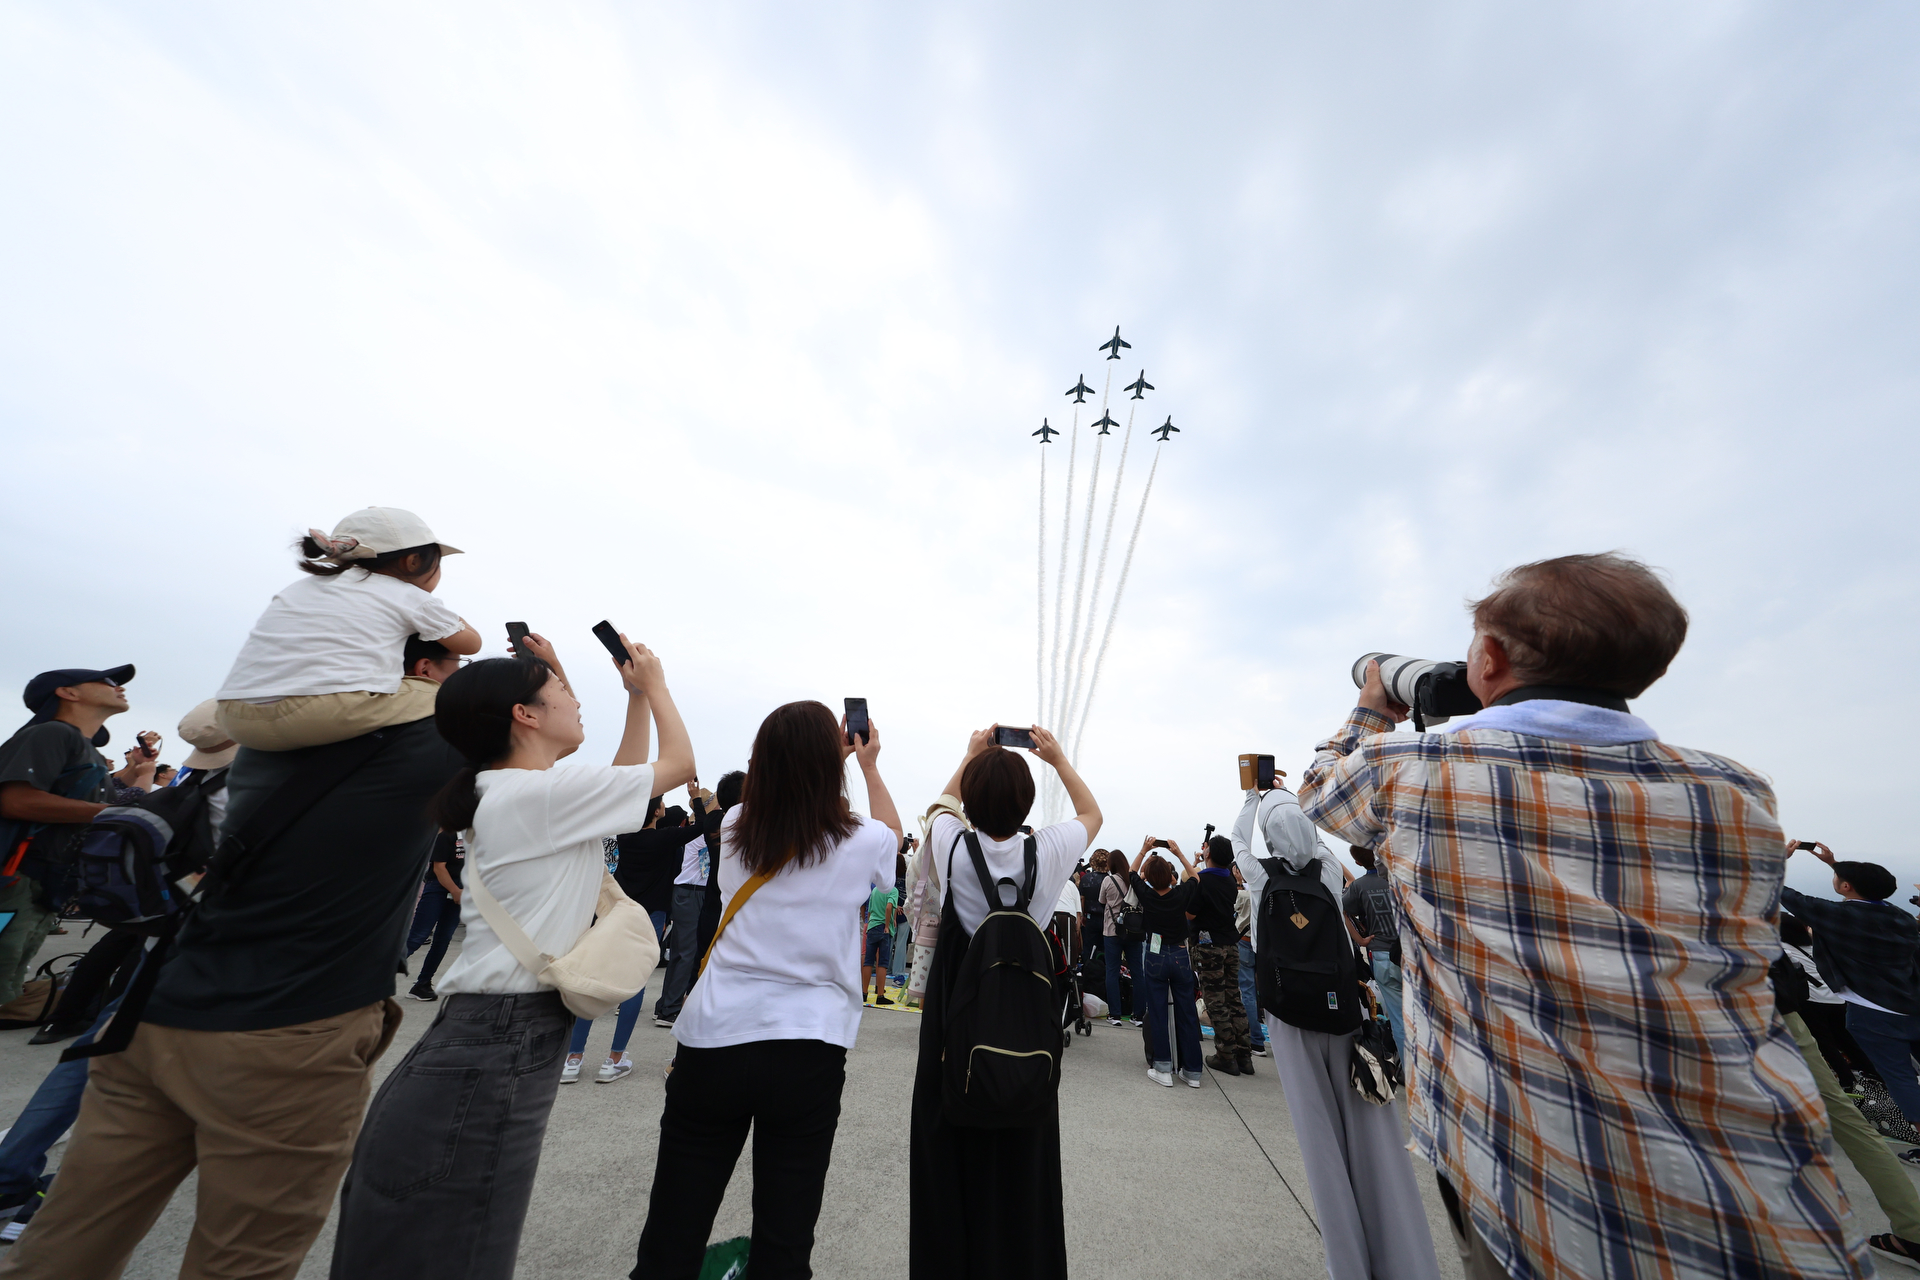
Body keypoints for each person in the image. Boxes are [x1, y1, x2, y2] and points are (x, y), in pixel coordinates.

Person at [1298, 552, 1864, 1279]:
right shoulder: (1735, 791)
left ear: (1490, 658)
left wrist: (1375, 705)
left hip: (1536, 1175)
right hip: (1761, 1185)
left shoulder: (1411, 769)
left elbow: (1319, 790)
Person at [332, 631, 692, 1277]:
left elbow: (623, 775)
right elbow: (678, 765)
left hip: (488, 1033)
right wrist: (658, 685)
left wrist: (635, 698)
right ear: (524, 715)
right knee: (469, 1249)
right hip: (499, 1039)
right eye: (559, 689)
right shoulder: (534, 796)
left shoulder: (517, 791)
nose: (574, 700)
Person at [632, 701, 901, 1278]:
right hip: (808, 1046)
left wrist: (820, 758)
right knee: (785, 1237)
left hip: (714, 1036)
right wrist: (866, 763)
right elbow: (893, 843)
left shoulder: (735, 825)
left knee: (674, 1228)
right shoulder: (860, 840)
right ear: (830, 763)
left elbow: (783, 796)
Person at [910, 723, 1100, 1280]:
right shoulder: (1048, 850)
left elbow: (939, 809)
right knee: (1024, 1154)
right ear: (1027, 803)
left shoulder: (954, 846)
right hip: (1024, 1022)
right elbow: (1092, 814)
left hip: (960, 1015)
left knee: (949, 1153)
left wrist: (971, 756)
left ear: (971, 801)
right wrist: (1057, 758)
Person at [1233, 778, 1442, 1280]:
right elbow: (1319, 838)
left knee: (1319, 1141)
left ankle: (1346, 1265)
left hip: (1288, 1015)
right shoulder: (1328, 869)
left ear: (1270, 837)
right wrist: (1286, 795)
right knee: (1370, 1131)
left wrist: (1253, 799)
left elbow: (1239, 838)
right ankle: (1404, 1259)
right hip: (1342, 1010)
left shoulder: (1258, 877)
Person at [213, 506, 481, 751]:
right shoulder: (408, 596)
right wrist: (441, 614)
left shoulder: (299, 588)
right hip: (320, 712)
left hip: (234, 716)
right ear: (413, 561)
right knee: (444, 695)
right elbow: (471, 644)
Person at [0, 665, 156, 1005]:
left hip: (43, 881)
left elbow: (86, 798)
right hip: (15, 876)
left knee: (12, 974)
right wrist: (112, 814)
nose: (119, 687)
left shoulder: (85, 749)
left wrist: (136, 772)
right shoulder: (51, 733)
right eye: (109, 681)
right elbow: (15, 801)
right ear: (68, 692)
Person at [1780, 842, 1920, 1134]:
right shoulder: (1902, 918)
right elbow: (1868, 893)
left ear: (1845, 887)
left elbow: (1782, 893)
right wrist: (1835, 865)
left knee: (1900, 1077)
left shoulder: (1838, 915)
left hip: (1872, 1012)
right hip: (1910, 1004)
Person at [1135, 842, 1207, 1087]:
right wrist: (1178, 853)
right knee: (1186, 1012)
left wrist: (1144, 851)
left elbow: (1132, 873)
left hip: (1155, 954)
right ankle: (1192, 1071)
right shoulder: (1180, 894)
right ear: (1170, 876)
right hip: (1179, 954)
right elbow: (1195, 877)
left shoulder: (1146, 895)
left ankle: (1163, 1067)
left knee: (1157, 1012)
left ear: (1149, 877)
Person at [651, 785, 718, 1026]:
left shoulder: (695, 830)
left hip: (687, 892)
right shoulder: (701, 831)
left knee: (681, 953)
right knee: (686, 954)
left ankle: (665, 1005)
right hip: (691, 892)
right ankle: (669, 1010)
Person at [1779, 913, 1869, 1092]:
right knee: (1847, 1040)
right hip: (1836, 999)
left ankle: (1847, 1081)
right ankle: (1871, 1073)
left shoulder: (1782, 949)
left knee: (1825, 1044)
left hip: (1813, 1001)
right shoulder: (1813, 945)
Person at [1191, 835, 1255, 1076]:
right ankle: (1244, 1056)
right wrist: (1206, 856)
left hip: (1209, 948)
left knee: (1215, 1001)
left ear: (1208, 854)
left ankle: (1226, 1056)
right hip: (1231, 945)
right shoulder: (1229, 879)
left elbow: (1189, 913)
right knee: (1234, 999)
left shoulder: (1202, 880)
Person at [1342, 844, 1403, 1059]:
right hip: (1410, 953)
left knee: (1397, 1018)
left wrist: (1360, 939)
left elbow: (1343, 910)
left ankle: (1407, 1067)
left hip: (1381, 954)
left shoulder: (1360, 886)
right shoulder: (1398, 878)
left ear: (1358, 862)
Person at [402, 830, 465, 1001]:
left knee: (443, 939)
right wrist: (455, 890)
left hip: (460, 889)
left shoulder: (474, 837)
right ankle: (373, 980)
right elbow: (439, 867)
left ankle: (422, 984)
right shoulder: (447, 835)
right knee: (417, 937)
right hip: (438, 887)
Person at [1232, 866, 1269, 1057]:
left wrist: (1238, 882)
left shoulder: (1244, 895)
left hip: (1245, 942)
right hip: (1264, 945)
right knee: (1268, 992)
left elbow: (1235, 904)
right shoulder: (1268, 893)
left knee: (1247, 992)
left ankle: (1255, 1040)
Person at [863, 854, 904, 1005]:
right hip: (883, 928)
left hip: (872, 926)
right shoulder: (892, 891)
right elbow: (888, 907)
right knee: (882, 963)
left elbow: (870, 911)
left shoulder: (874, 891)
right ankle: (880, 995)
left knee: (868, 961)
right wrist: (887, 925)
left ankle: (864, 992)